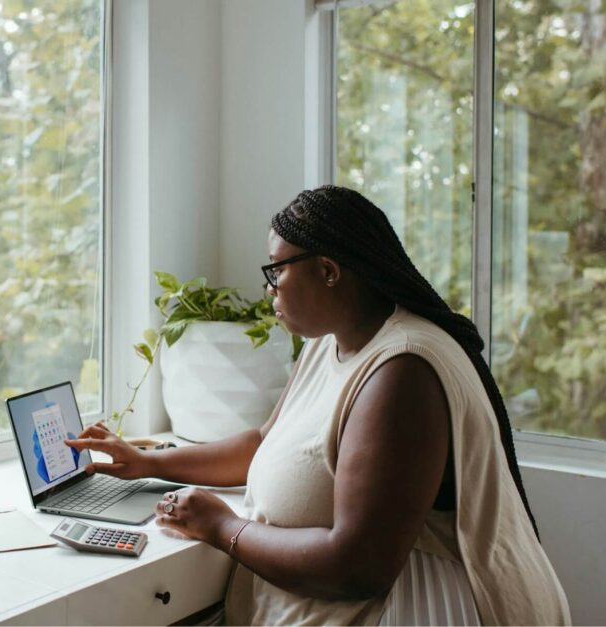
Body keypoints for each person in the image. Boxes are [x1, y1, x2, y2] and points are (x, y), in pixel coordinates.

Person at [66, 185, 571, 625]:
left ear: (328, 270)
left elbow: (357, 567)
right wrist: (149, 461)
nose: (269, 290)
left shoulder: (402, 372)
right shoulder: (330, 342)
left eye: (276, 270)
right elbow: (265, 442)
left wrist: (223, 526)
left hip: (417, 609)